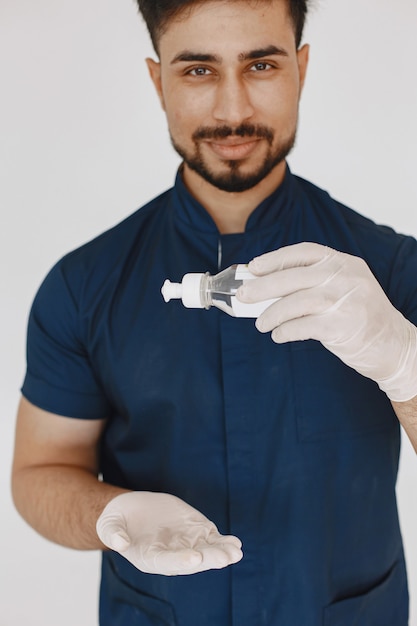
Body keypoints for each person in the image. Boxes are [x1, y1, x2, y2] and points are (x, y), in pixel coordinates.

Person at [11, 0, 417, 624]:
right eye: (198, 70)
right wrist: (110, 516)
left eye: (260, 64)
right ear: (158, 80)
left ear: (301, 70)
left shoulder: (390, 271)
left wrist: (407, 366)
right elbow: (40, 472)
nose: (233, 110)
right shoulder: (82, 287)